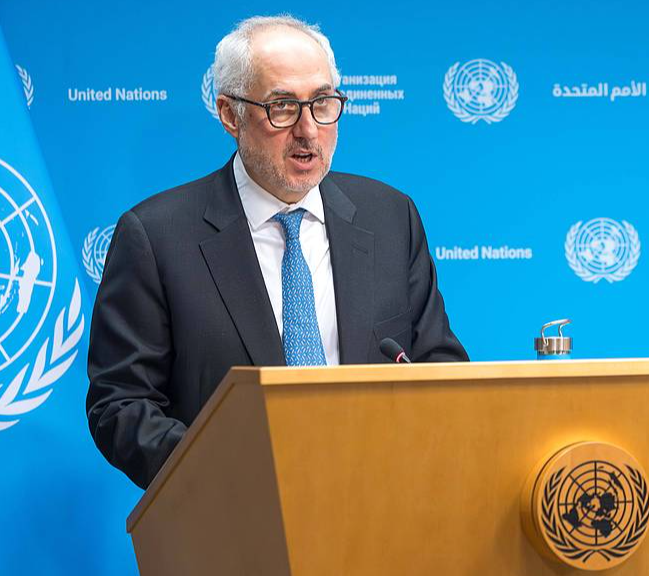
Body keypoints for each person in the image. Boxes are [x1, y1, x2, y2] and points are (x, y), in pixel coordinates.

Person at [87, 15, 468, 489]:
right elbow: (121, 404)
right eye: (283, 107)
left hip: (380, 501)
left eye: (323, 103)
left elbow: (440, 367)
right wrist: (232, 472)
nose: (308, 130)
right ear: (230, 115)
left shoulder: (390, 216)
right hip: (234, 511)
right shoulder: (156, 236)